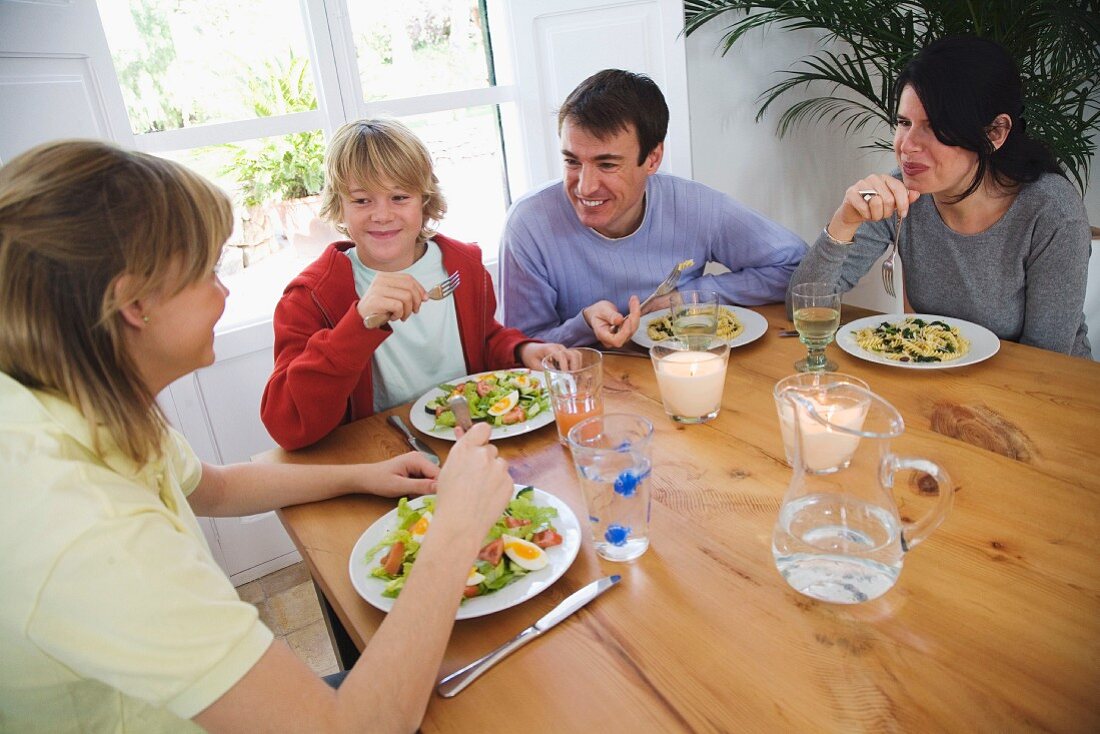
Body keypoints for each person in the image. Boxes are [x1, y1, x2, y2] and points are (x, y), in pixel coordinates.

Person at [0, 140, 516, 733]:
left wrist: (360, 475)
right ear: (134, 302)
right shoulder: (82, 527)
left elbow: (215, 489)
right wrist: (457, 527)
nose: (224, 293)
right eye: (207, 272)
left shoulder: (79, 402)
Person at [262, 119, 565, 450]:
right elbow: (287, 426)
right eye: (362, 200)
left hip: (470, 440)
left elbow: (484, 340)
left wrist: (521, 349)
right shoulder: (310, 298)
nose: (382, 215)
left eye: (399, 197)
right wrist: (358, 324)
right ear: (339, 205)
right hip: (384, 455)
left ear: (424, 199)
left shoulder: (463, 267)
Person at [788, 36, 1092, 358]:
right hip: (939, 384)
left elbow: (1046, 362)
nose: (907, 146)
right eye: (904, 122)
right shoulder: (899, 197)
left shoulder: (1052, 213)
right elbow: (803, 311)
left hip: (1044, 395)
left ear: (995, 133)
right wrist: (845, 219)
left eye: (934, 127)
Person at [498, 68, 806, 348]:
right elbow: (520, 348)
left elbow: (796, 268)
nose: (585, 186)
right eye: (572, 161)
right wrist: (584, 324)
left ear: (653, 159)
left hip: (686, 370)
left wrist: (687, 297)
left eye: (607, 164)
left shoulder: (696, 205)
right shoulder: (529, 223)